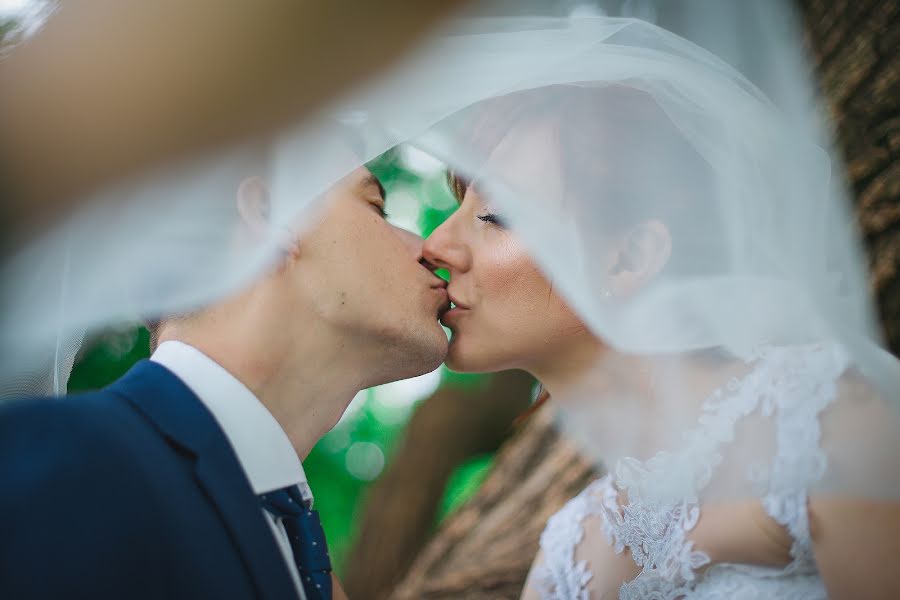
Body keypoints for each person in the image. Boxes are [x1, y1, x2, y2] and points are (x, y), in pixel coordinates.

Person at [420, 49, 900, 599]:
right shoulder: (566, 557)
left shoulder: (822, 422)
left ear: (627, 259)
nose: (436, 245)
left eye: (496, 216)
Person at [0, 164, 450, 599]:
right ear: (268, 216)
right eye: (377, 207)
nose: (429, 247)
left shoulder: (295, 551)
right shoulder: (59, 456)